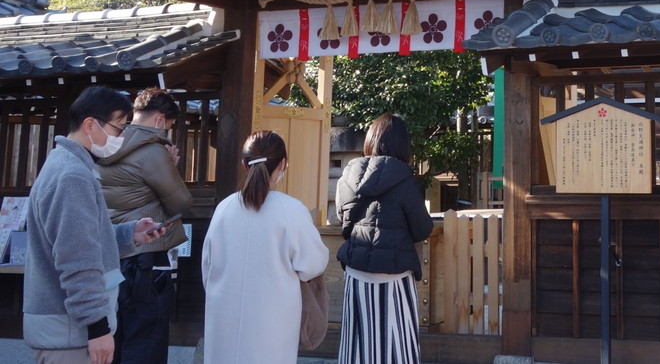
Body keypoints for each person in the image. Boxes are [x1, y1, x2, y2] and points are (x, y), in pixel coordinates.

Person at [23, 86, 172, 364]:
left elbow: (83, 241)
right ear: (90, 124)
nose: (122, 137)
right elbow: (77, 260)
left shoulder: (66, 166)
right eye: (118, 128)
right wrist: (98, 328)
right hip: (72, 333)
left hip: (66, 329)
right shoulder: (72, 176)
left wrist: (130, 234)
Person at [201, 130, 329, 364]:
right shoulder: (291, 210)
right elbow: (312, 265)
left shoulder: (224, 209)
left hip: (224, 318)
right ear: (283, 165)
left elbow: (207, 268)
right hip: (273, 321)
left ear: (243, 164)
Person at [96, 88, 192, 364]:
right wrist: (171, 167)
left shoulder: (107, 143)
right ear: (160, 120)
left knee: (116, 336)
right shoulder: (152, 151)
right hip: (148, 256)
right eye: (170, 127)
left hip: (113, 253)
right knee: (146, 341)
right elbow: (182, 203)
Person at [335, 114, 434, 364]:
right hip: (395, 275)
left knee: (357, 344)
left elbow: (342, 219)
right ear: (403, 144)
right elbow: (422, 228)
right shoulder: (405, 180)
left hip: (356, 272)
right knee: (397, 346)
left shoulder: (348, 176)